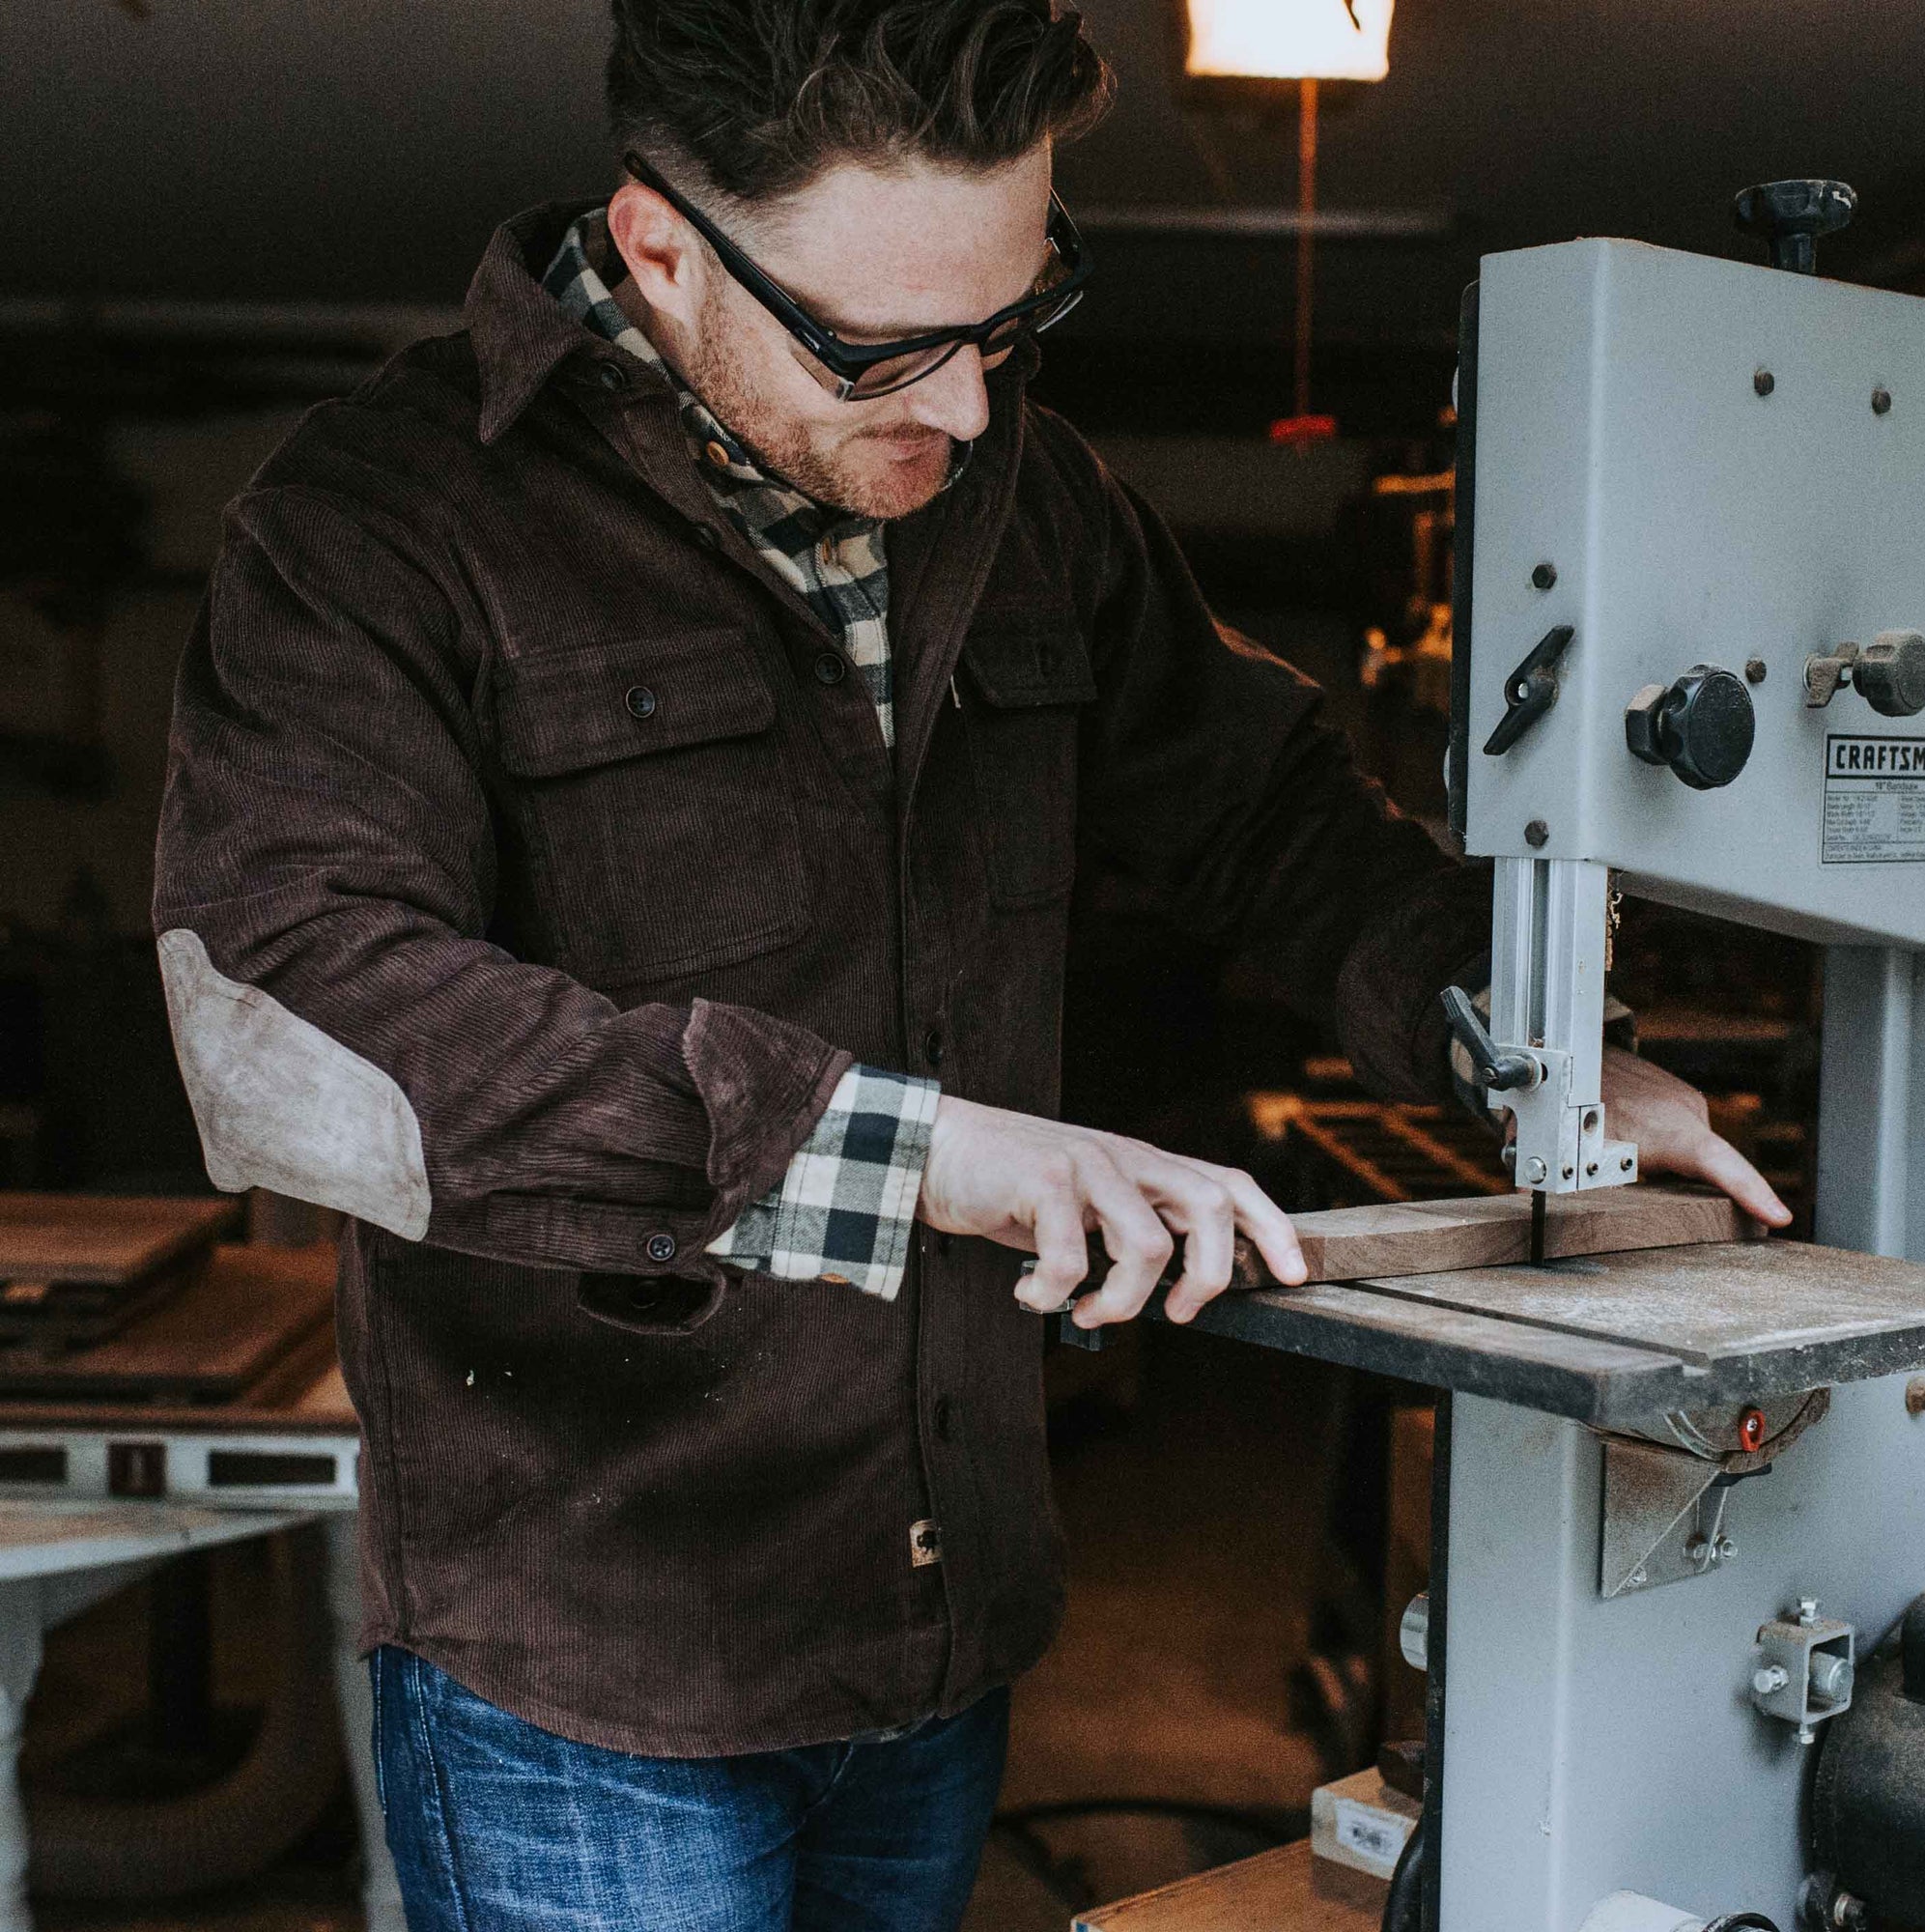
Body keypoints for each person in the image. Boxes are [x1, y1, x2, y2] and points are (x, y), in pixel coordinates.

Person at [152, 2, 1789, 1925]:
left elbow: (1272, 825)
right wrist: (923, 1151)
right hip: (595, 1670)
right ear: (662, 247)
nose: (969, 412)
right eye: (882, 346)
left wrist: (1529, 1045)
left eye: (1014, 325)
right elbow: (287, 1008)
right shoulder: (381, 525)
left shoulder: (1030, 505)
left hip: (945, 1616)